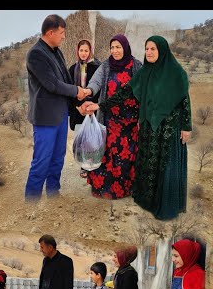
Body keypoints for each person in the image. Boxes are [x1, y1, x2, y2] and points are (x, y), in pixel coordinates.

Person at [24, 14, 90, 200]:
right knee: (41, 161)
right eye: (61, 33)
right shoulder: (36, 54)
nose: (64, 36)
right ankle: (32, 199)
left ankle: (53, 192)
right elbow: (52, 84)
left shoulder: (56, 50)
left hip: (61, 115)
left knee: (58, 157)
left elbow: (65, 80)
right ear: (50, 32)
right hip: (45, 118)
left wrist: (78, 103)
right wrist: (77, 90)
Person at [130, 36, 192, 220]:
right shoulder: (147, 72)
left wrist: (186, 127)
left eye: (153, 49)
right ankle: (148, 201)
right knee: (150, 163)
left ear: (162, 51)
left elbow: (184, 100)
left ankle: (166, 208)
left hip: (170, 129)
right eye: (147, 48)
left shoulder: (175, 72)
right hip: (150, 127)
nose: (149, 52)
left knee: (166, 165)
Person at [81, 34, 143, 199]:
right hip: (109, 119)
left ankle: (125, 189)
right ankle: (104, 189)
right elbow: (96, 81)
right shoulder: (106, 65)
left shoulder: (136, 66)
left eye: (118, 47)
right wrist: (88, 91)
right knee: (108, 153)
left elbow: (144, 89)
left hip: (130, 122)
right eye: (112, 47)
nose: (115, 51)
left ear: (125, 47)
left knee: (125, 155)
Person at [68, 39, 101, 178]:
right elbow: (69, 91)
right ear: (78, 51)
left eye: (86, 50)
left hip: (92, 109)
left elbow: (98, 89)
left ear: (90, 52)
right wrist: (78, 107)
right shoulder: (72, 69)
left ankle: (93, 165)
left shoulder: (96, 68)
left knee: (92, 140)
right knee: (81, 140)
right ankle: (84, 166)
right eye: (81, 50)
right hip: (78, 110)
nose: (83, 53)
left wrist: (90, 107)